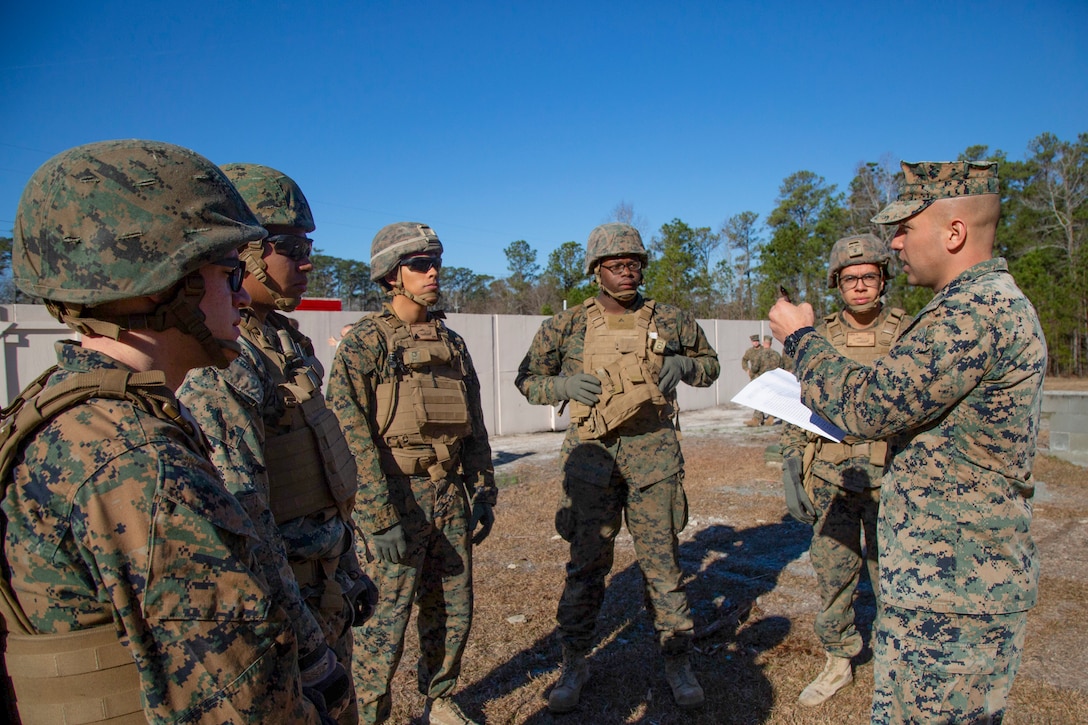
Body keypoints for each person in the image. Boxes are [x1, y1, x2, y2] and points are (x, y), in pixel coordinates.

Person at [0, 140, 322, 723]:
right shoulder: (139, 463)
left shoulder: (69, 414)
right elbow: (241, 703)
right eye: (227, 274)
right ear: (160, 286)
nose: (238, 294)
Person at [769, 161, 1045, 724]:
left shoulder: (975, 313)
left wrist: (799, 338)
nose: (895, 244)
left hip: (956, 586)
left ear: (953, 232)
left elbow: (867, 407)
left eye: (905, 228)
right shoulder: (970, 306)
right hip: (943, 579)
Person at [178, 163, 366, 723]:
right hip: (287, 616)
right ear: (246, 253)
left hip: (323, 594)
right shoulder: (226, 360)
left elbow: (324, 475)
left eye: (309, 247)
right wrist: (305, 648)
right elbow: (247, 518)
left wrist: (349, 570)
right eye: (290, 247)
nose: (307, 262)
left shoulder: (285, 343)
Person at [515, 223, 720, 713]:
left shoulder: (670, 319)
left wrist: (686, 368)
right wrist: (563, 388)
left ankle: (677, 661)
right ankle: (575, 661)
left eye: (634, 264)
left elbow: (710, 363)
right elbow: (527, 379)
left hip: (654, 460)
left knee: (663, 567)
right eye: (616, 265)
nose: (627, 273)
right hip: (592, 462)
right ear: (596, 272)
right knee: (586, 569)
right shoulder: (565, 326)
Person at [326, 222, 497, 725]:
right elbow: (349, 434)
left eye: (435, 262)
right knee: (384, 622)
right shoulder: (366, 345)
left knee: (451, 612)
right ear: (389, 276)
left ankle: (439, 700)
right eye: (420, 264)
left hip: (448, 494)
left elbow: (475, 421)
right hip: (397, 496)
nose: (433, 272)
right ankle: (369, 714)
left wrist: (483, 489)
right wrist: (378, 517)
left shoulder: (453, 343)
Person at [779, 233, 910, 707]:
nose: (860, 286)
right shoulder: (815, 339)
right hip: (831, 478)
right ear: (836, 283)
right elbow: (789, 404)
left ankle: (899, 664)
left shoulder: (908, 332)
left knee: (893, 575)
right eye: (850, 278)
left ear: (882, 279)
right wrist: (792, 464)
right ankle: (838, 660)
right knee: (834, 575)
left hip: (891, 481)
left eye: (868, 276)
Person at [744, 335, 782, 426]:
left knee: (759, 399)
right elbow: (782, 367)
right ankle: (771, 417)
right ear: (771, 343)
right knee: (771, 399)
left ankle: (757, 419)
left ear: (764, 343)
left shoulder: (760, 355)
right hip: (773, 381)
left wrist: (751, 373)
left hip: (762, 380)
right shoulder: (776, 355)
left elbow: (754, 368)